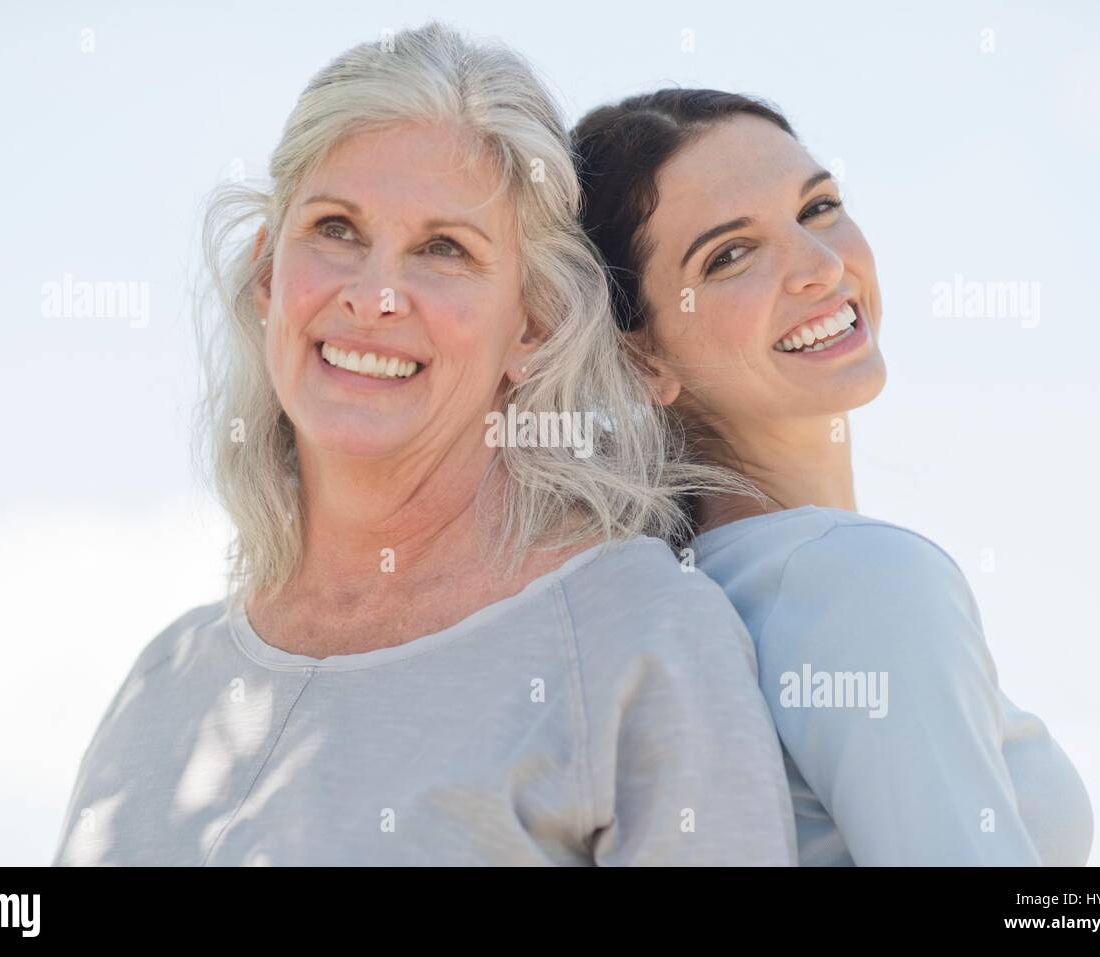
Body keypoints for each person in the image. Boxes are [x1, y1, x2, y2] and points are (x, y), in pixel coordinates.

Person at [51, 29, 796, 866]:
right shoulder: (166, 681)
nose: (373, 296)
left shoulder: (637, 633)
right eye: (336, 228)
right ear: (268, 277)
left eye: (444, 249)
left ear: (534, 325)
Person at [572, 89, 1093, 865]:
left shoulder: (691, 591)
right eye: (730, 255)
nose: (819, 267)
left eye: (817, 208)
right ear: (641, 356)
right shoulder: (859, 578)